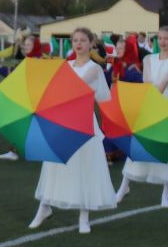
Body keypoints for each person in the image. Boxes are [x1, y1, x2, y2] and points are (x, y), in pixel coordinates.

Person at [25, 28, 117, 234]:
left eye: (83, 40)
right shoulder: (65, 66)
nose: (78, 44)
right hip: (62, 120)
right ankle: (44, 207)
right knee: (55, 164)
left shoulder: (94, 68)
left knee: (84, 166)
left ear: (91, 43)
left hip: (83, 120)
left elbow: (86, 93)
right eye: (75, 40)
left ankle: (84, 217)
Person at [121, 26, 168, 206]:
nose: (162, 42)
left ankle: (166, 192)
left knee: (167, 145)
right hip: (150, 101)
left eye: (166, 38)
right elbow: (147, 83)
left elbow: (163, 83)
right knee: (140, 143)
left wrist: (154, 96)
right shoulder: (148, 59)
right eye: (160, 38)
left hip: (166, 103)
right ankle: (124, 185)